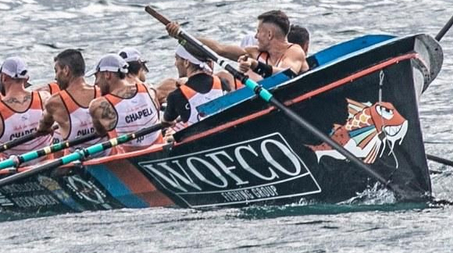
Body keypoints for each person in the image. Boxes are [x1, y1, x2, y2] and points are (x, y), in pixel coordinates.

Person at [173, 9, 308, 78]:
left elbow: (287, 74)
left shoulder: (294, 51)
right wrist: (181, 36)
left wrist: (255, 65)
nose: (255, 36)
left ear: (269, 35)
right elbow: (220, 49)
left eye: (258, 31)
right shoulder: (255, 53)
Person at [89, 54, 163, 151]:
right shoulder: (148, 89)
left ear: (107, 74)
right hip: (159, 148)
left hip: (128, 160)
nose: (95, 83)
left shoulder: (98, 106)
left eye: (96, 76)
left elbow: (101, 132)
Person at [0, 56, 47, 149]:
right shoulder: (44, 97)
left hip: (10, 163)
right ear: (26, 78)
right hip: (46, 160)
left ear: (3, 77)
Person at [37, 48, 98, 143]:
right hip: (106, 154)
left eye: (56, 71)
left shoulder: (54, 102)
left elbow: (42, 128)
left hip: (74, 156)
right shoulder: (101, 92)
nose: (55, 77)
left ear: (66, 70)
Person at [158, 46, 225, 130]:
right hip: (224, 128)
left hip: (201, 140)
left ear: (186, 62)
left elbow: (167, 121)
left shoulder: (176, 96)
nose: (175, 64)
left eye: (177, 59)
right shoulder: (219, 81)